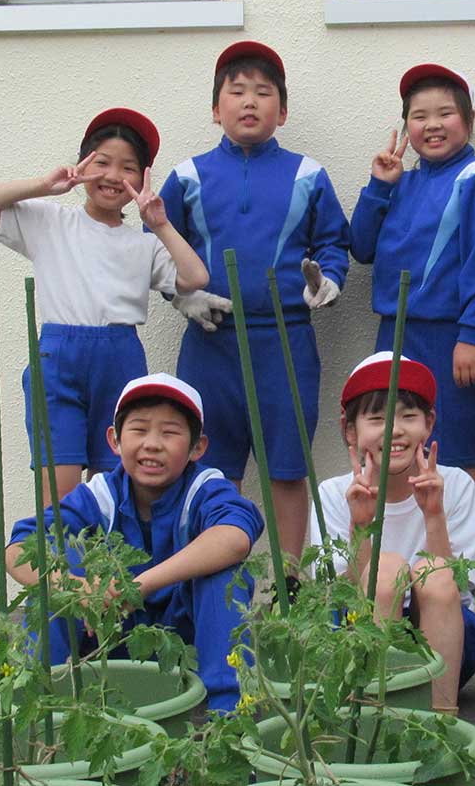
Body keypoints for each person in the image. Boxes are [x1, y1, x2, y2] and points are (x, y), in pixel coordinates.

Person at [157, 41, 351, 567]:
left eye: (263, 93)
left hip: (285, 340)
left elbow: (333, 242)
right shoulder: (188, 176)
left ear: (281, 111)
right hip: (211, 341)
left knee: (287, 466)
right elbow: (156, 246)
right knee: (209, 468)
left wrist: (327, 280)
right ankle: (218, 579)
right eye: (236, 91)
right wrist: (180, 296)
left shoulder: (308, 174)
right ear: (215, 108)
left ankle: (290, 579)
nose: (249, 101)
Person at [0, 108, 209, 503]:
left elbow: (195, 278)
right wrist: (44, 186)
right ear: (82, 166)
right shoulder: (50, 221)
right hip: (58, 355)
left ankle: (109, 566)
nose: (113, 176)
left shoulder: (143, 243)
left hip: (120, 356)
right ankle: (59, 566)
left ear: (142, 178)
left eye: (128, 167)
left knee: (115, 486)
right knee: (60, 491)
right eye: (102, 163)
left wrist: (160, 223)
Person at [5, 373, 265, 712]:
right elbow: (20, 550)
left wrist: (138, 586)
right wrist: (79, 588)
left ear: (197, 447)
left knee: (224, 576)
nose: (152, 444)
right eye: (139, 430)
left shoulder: (204, 488)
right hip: (109, 641)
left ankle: (228, 716)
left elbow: (235, 538)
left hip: (188, 644)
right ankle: (35, 708)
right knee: (57, 563)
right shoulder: (100, 495)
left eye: (170, 432)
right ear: (114, 440)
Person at [349, 63, 475, 572]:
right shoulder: (401, 180)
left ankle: (473, 576)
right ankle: (385, 572)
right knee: (386, 455)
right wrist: (378, 186)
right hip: (393, 336)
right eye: (419, 116)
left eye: (445, 113)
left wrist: (473, 333)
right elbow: (361, 247)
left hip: (453, 340)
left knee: (460, 456)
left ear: (469, 120)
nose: (432, 124)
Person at [310, 352, 475, 714]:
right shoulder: (332, 493)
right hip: (358, 634)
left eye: (409, 416)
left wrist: (433, 513)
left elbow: (461, 587)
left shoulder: (455, 484)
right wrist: (360, 526)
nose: (395, 430)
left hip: (445, 634)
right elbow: (337, 593)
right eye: (377, 418)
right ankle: (379, 715)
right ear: (350, 430)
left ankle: (442, 723)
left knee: (433, 574)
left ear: (429, 423)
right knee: (386, 571)